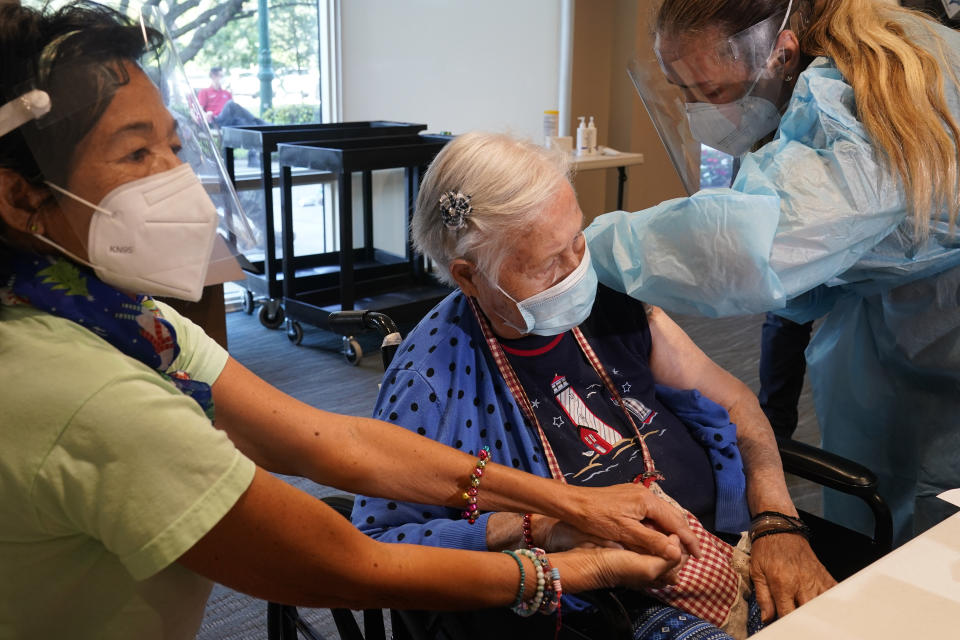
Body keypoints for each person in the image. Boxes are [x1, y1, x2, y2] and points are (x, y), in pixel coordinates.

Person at [0, 4, 701, 637]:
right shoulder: (84, 394)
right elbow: (350, 564)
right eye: (135, 154)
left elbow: (331, 443)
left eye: (174, 148)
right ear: (19, 196)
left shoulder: (116, 316)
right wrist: (575, 566)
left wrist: (576, 505)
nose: (174, 180)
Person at [351, 132, 835, 639]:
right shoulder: (431, 379)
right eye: (545, 264)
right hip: (610, 606)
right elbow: (381, 542)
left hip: (729, 541)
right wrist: (535, 527)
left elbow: (735, 403)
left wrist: (778, 522)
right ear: (469, 276)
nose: (577, 270)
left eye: (577, 240)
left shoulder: (613, 299)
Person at [586, 0, 960, 545]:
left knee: (929, 555)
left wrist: (583, 249)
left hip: (940, 341)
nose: (696, 112)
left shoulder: (881, 88)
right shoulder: (849, 63)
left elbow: (748, 247)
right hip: (897, 331)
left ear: (782, 54)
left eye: (710, 92)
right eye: (681, 89)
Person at [197, 65, 265, 128]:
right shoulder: (204, 91)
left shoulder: (227, 93)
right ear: (213, 76)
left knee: (244, 123)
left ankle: (262, 127)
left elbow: (235, 111)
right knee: (230, 104)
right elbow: (199, 110)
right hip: (216, 120)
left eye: (223, 76)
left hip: (230, 121)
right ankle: (260, 122)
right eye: (221, 76)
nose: (223, 78)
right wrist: (206, 114)